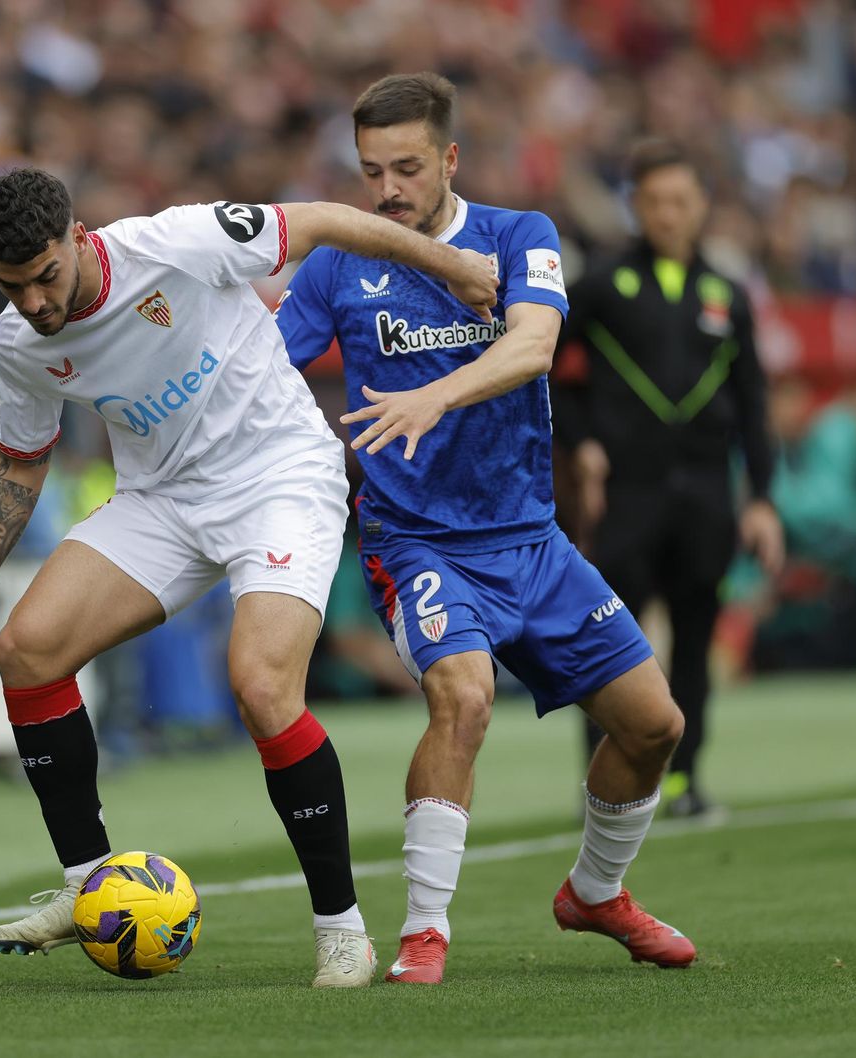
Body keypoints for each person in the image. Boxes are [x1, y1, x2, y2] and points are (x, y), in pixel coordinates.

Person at [0, 166, 498, 988]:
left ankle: (340, 928)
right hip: (163, 502)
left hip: (278, 478)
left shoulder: (174, 243)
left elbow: (319, 221)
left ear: (77, 239)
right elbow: (21, 463)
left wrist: (450, 265)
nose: (31, 301)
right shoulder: (18, 342)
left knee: (262, 686)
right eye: (11, 285)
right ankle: (86, 887)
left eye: (44, 277)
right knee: (25, 650)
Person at [276, 72, 697, 985]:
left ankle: (595, 892)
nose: (387, 190)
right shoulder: (340, 262)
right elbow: (266, 365)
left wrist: (434, 395)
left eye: (408, 168)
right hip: (416, 542)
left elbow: (535, 342)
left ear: (450, 159)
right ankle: (425, 931)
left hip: (533, 542)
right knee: (463, 697)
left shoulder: (519, 235)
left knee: (656, 727)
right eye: (372, 170)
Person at [552, 138, 783, 819]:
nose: (667, 214)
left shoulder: (727, 295)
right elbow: (547, 375)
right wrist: (583, 442)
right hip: (628, 492)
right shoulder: (600, 285)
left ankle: (682, 782)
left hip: (708, 493)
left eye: (680, 200)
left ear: (702, 205)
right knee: (609, 640)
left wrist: (763, 498)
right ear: (636, 207)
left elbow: (755, 405)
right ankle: (604, 788)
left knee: (694, 632)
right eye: (653, 201)